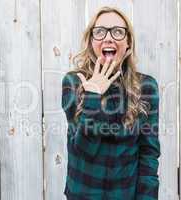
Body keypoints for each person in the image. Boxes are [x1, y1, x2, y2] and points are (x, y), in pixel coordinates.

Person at [61, 6, 160, 200]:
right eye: (99, 32)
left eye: (117, 31)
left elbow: (149, 153)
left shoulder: (146, 86)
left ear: (128, 42)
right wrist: (93, 94)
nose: (108, 38)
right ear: (91, 41)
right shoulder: (73, 82)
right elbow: (84, 149)